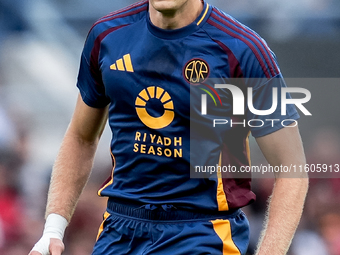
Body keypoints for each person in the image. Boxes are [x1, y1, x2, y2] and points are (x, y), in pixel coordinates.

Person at [29, 0, 308, 254]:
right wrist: (53, 229)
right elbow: (81, 137)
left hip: (202, 234)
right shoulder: (107, 36)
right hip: (119, 232)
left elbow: (291, 167)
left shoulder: (242, 50)